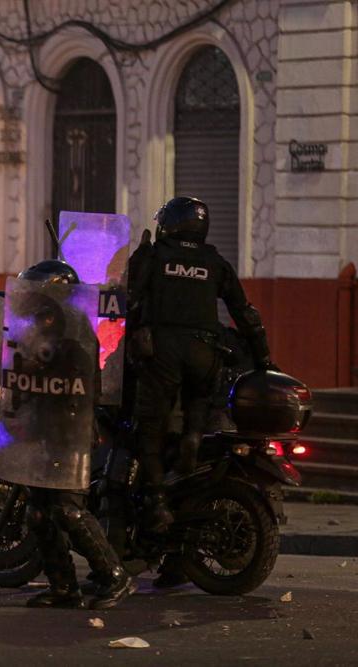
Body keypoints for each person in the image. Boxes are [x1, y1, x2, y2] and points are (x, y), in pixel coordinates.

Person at [127, 196, 275, 536]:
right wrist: (264, 358)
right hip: (205, 351)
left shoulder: (155, 254)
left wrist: (139, 256)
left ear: (170, 224)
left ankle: (157, 501)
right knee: (197, 406)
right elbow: (245, 313)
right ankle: (192, 440)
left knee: (149, 427)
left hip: (163, 351)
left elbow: (127, 297)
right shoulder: (214, 262)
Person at [7, 260, 136, 610]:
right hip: (42, 432)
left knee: (68, 510)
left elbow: (80, 388)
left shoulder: (75, 336)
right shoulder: (35, 335)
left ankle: (115, 576)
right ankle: (63, 586)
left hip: (69, 435)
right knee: (37, 511)